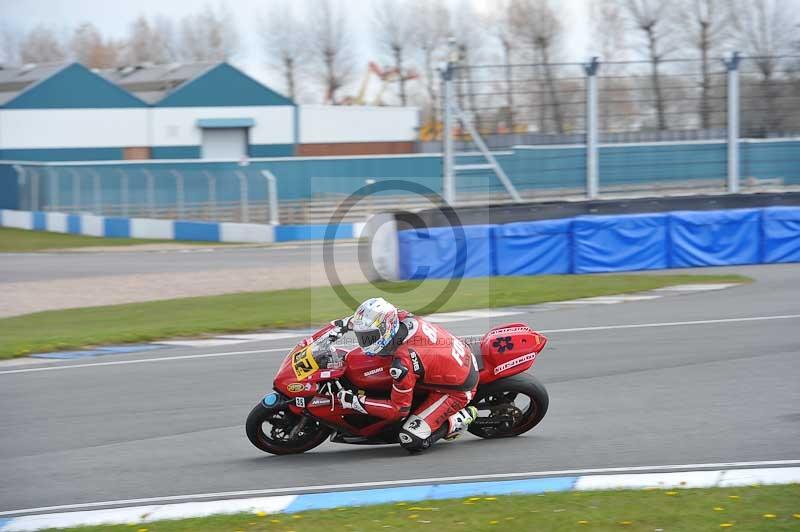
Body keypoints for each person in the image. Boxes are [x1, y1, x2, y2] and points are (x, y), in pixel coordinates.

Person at [330, 297, 479, 452]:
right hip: (453, 358)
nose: (364, 342)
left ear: (385, 329)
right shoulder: (401, 318)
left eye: (369, 337)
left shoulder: (404, 362)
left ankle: (459, 419)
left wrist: (356, 402)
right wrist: (346, 324)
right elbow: (376, 316)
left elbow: (398, 410)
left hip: (456, 390)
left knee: (410, 439)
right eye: (362, 336)